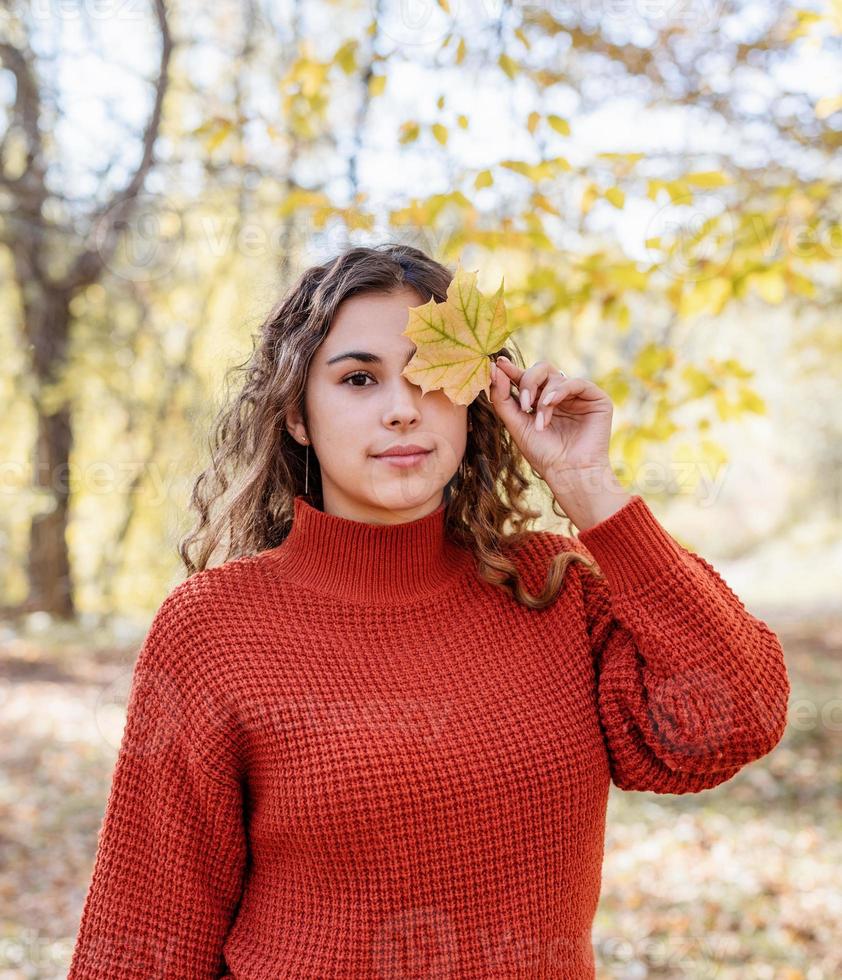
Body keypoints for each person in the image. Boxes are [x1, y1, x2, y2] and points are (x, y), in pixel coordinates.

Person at [67, 243, 791, 979]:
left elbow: (735, 721)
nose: (403, 409)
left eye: (431, 376)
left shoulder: (552, 586)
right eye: (357, 379)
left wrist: (588, 485)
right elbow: (146, 931)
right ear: (297, 417)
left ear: (477, 398)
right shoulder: (216, 627)